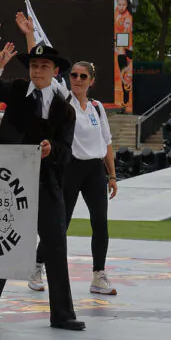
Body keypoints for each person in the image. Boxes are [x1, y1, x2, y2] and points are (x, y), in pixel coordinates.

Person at [0, 19, 83, 331]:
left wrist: (51, 151)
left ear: (55, 71)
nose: (37, 70)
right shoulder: (17, 90)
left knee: (56, 249)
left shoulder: (65, 109)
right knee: (1, 244)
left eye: (44, 66)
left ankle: (63, 315)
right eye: (34, 64)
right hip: (9, 184)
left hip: (47, 186)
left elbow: (67, 150)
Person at [61, 60, 118, 296]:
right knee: (60, 223)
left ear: (91, 81)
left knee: (100, 223)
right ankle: (38, 264)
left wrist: (112, 175)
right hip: (71, 168)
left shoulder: (97, 107)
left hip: (95, 171)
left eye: (83, 76)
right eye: (73, 75)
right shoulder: (64, 102)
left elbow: (106, 143)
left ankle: (99, 275)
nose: (77, 80)